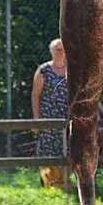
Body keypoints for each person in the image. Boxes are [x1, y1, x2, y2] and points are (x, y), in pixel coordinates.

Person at [31, 38, 70, 188]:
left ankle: (65, 183)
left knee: (68, 149)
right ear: (51, 52)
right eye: (57, 49)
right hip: (48, 116)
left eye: (62, 49)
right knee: (48, 150)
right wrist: (36, 119)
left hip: (67, 117)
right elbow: (35, 95)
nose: (59, 52)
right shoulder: (43, 70)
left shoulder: (72, 69)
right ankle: (50, 184)